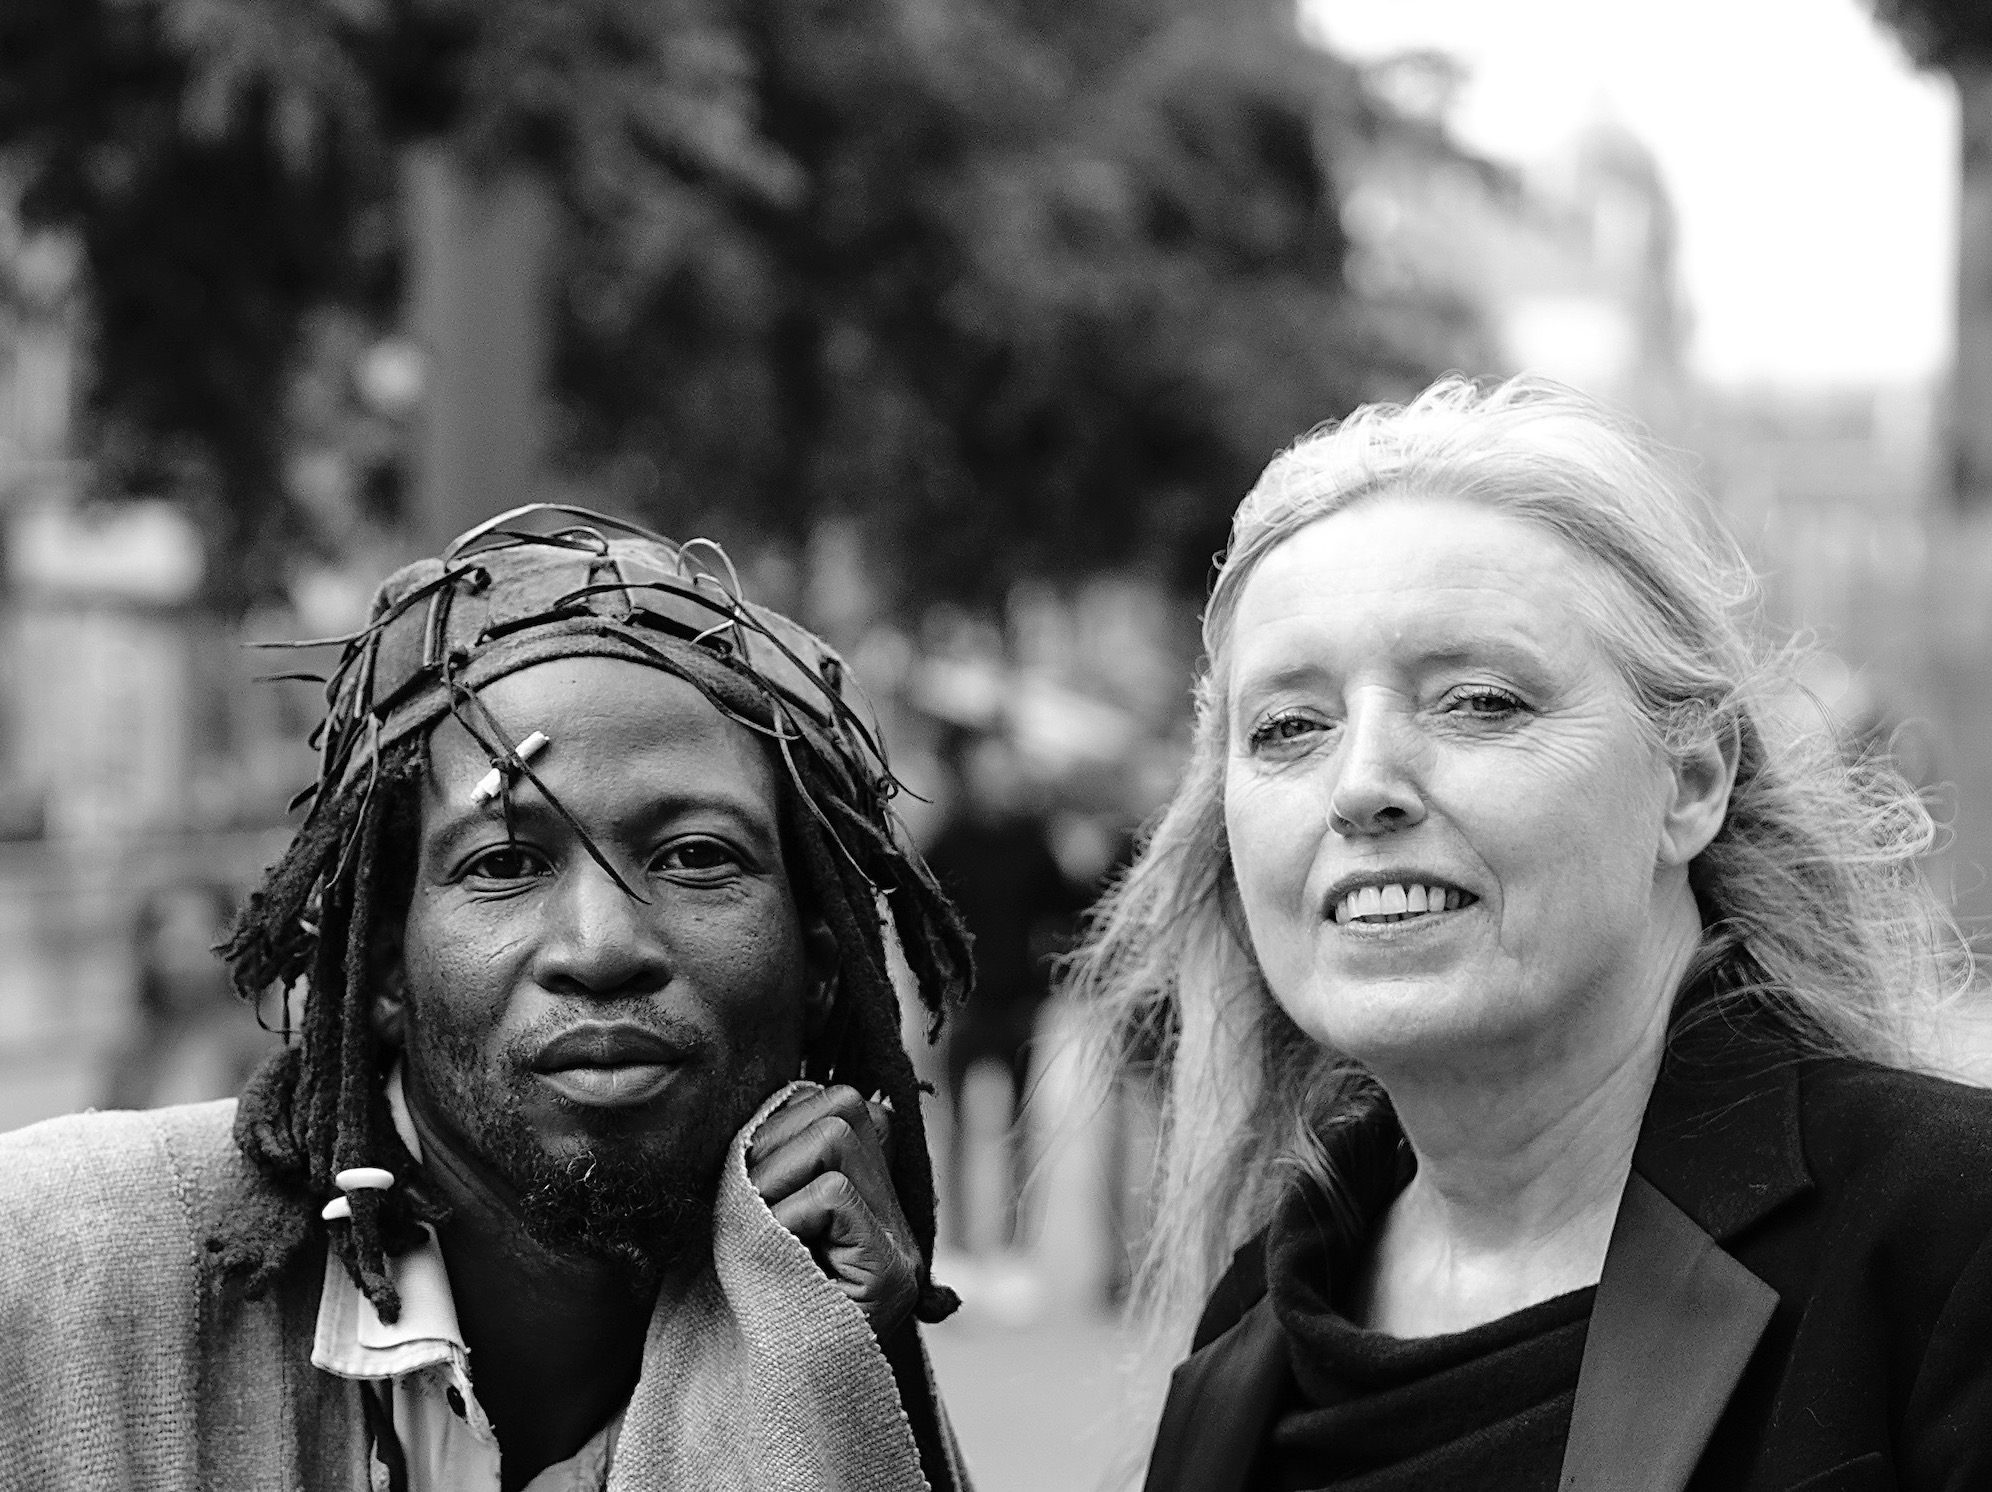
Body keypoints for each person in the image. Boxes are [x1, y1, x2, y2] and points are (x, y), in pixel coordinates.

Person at [1067, 377, 1992, 1492]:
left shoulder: (1947, 1238)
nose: (1361, 785)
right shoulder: (1253, 1327)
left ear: (1690, 780)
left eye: (1480, 700)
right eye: (1290, 726)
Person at [0, 506, 974, 1491]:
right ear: (383, 968)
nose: (602, 948)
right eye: (506, 861)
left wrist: (839, 1379)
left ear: (821, 967)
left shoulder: (826, 1322)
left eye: (695, 857)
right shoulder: (49, 1272)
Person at [925, 730, 1082, 1252]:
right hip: (962, 1009)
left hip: (1019, 1007)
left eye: (1005, 768)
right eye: (988, 768)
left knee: (1021, 1129)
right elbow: (917, 919)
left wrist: (1046, 985)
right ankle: (963, 1245)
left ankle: (1015, 1248)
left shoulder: (1034, 841)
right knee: (957, 1130)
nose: (998, 779)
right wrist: (937, 992)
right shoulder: (947, 841)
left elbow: (1066, 914)